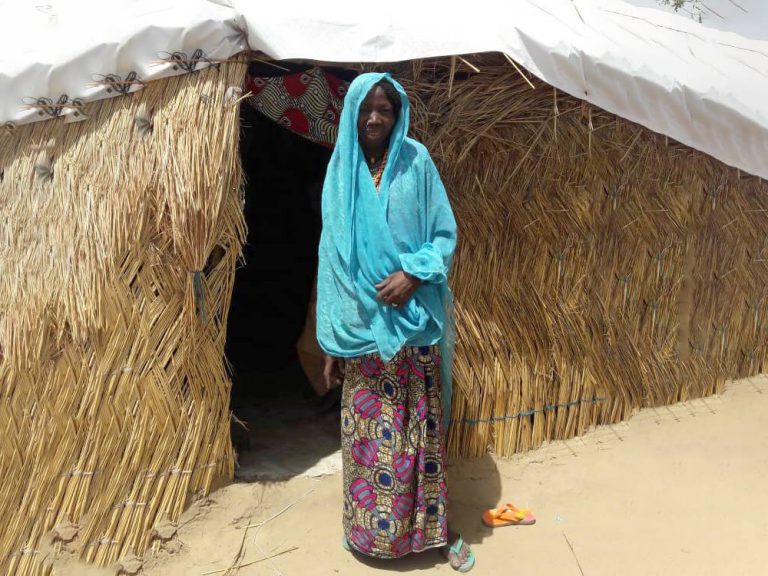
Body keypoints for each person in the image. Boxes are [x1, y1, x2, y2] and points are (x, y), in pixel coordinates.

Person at [316, 72, 474, 572]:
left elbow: (444, 236)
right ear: (353, 113)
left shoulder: (416, 162)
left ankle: (433, 533)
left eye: (385, 108)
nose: (375, 118)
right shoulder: (341, 172)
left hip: (411, 332)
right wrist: (331, 340)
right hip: (362, 338)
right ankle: (368, 537)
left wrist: (412, 272)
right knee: (369, 443)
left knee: (418, 440)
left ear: (397, 111)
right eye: (367, 108)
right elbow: (332, 263)